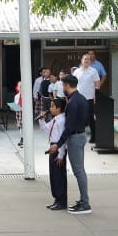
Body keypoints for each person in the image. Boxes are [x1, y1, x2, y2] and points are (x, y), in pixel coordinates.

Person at [61, 74, 92, 214]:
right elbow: (87, 119)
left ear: (67, 85)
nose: (63, 88)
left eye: (63, 85)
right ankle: (83, 200)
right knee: (80, 170)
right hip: (81, 134)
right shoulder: (82, 99)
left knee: (78, 171)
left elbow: (69, 126)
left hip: (75, 137)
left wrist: (59, 143)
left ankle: (85, 203)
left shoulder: (72, 102)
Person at [44, 96, 69, 211]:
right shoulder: (55, 119)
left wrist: (61, 155)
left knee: (59, 176)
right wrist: (41, 119)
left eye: (52, 106)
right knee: (53, 175)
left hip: (58, 148)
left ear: (59, 108)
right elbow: (46, 129)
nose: (50, 108)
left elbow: (62, 139)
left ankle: (61, 200)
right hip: (52, 147)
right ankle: (56, 198)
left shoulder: (61, 120)